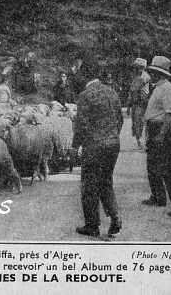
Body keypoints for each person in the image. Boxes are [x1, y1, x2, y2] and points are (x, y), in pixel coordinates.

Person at [72, 63, 123, 237]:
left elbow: (81, 126)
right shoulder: (112, 92)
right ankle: (115, 215)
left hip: (95, 145)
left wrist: (75, 147)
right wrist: (112, 136)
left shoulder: (85, 95)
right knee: (106, 181)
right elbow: (120, 120)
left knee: (89, 185)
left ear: (84, 77)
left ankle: (92, 226)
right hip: (113, 143)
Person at [142, 56, 171, 218]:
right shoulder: (158, 87)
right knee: (153, 165)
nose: (150, 74)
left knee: (170, 168)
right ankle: (158, 196)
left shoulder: (166, 89)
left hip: (163, 130)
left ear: (159, 73)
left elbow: (170, 115)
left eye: (152, 72)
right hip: (155, 129)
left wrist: (161, 135)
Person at [126, 58, 148, 148]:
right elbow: (131, 92)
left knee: (140, 122)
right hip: (136, 103)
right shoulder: (136, 77)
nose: (136, 69)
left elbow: (135, 90)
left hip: (142, 102)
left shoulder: (145, 77)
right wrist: (128, 106)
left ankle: (142, 141)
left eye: (138, 67)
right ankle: (139, 141)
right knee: (136, 123)